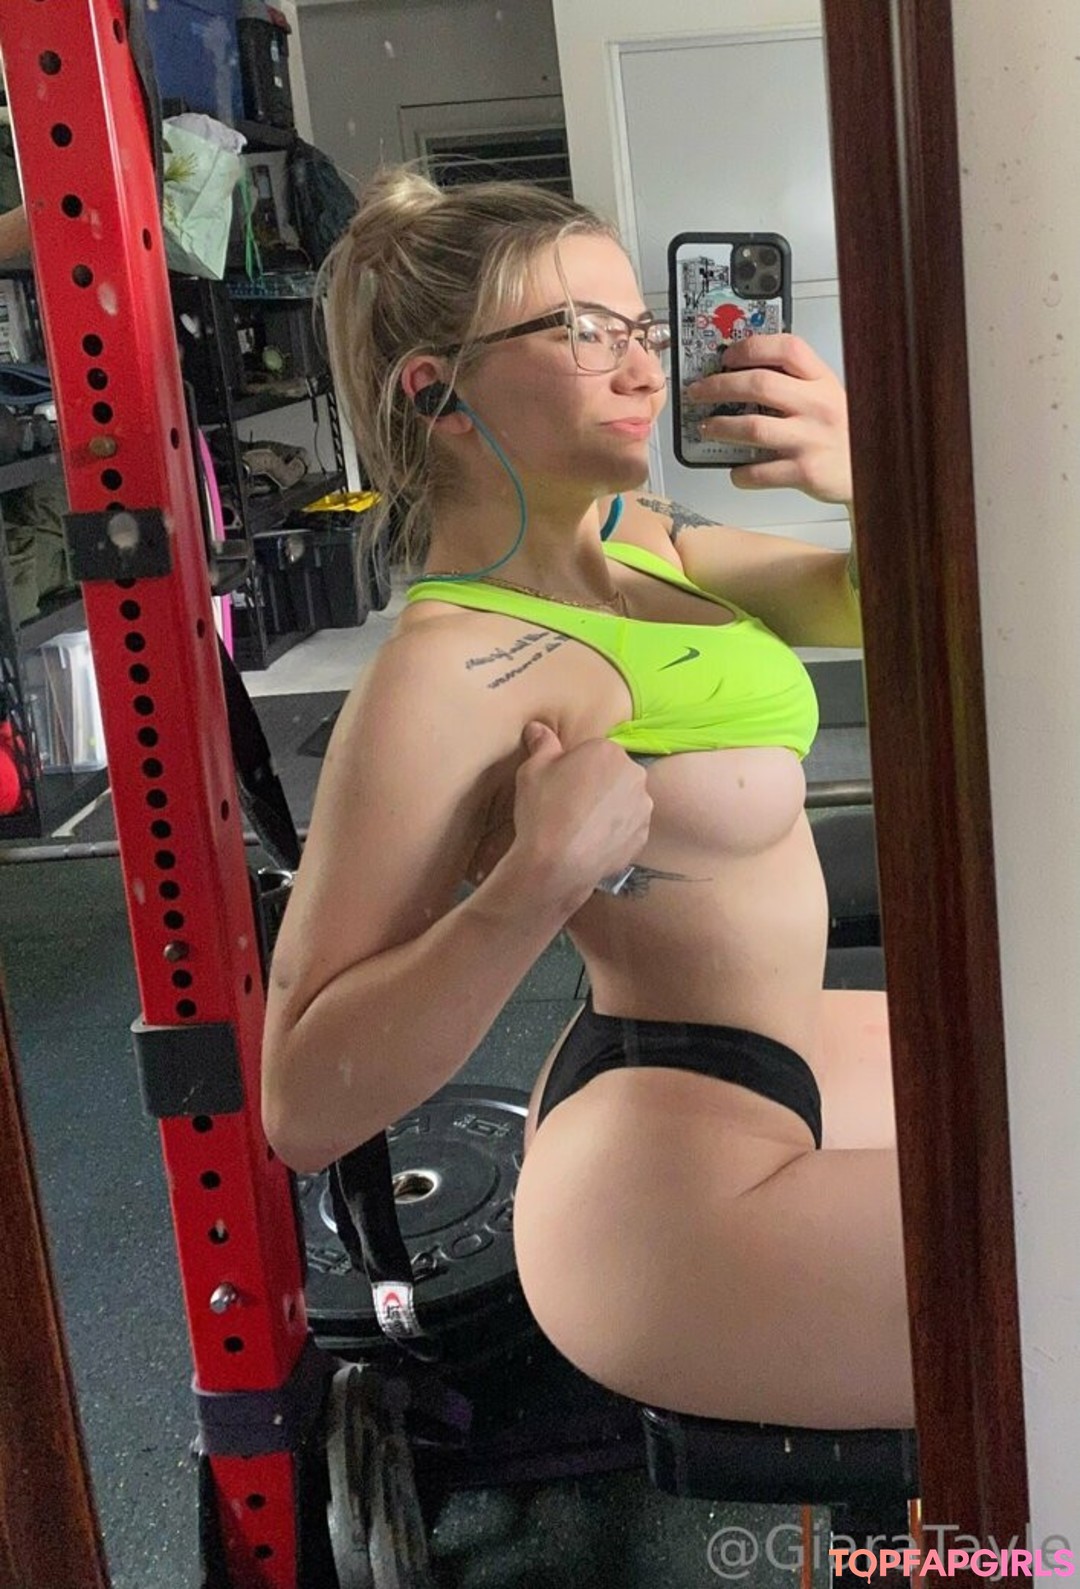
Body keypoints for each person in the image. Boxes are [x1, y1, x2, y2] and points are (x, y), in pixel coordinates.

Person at [260, 167, 914, 1433]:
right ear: (437, 393)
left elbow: (882, 599)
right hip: (671, 1198)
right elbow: (303, 1105)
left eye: (642, 325)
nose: (645, 366)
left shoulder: (639, 537)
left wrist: (862, 471)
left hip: (777, 1050)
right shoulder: (445, 673)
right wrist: (531, 886)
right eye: (585, 330)